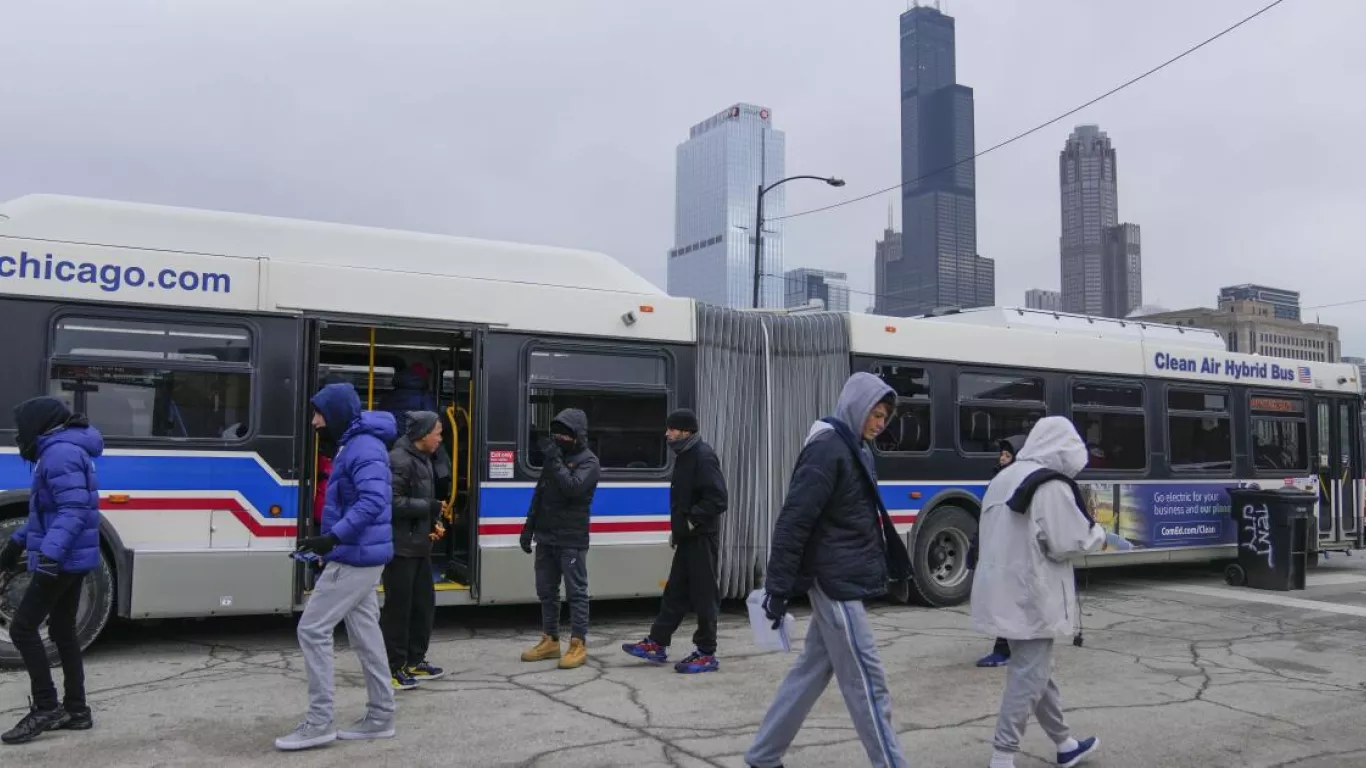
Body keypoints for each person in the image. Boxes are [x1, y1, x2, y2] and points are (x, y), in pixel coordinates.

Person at [745, 373, 912, 768]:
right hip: (835, 582)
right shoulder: (828, 448)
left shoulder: (853, 447)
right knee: (869, 683)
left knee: (811, 671)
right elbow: (794, 520)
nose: (879, 422)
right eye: (875, 412)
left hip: (841, 575)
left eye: (885, 417)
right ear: (856, 405)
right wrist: (778, 587)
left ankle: (763, 755)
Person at [970, 416, 1105, 768]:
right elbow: (1067, 541)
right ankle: (1002, 754)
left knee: (1036, 669)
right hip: (1033, 593)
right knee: (1029, 672)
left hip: (1002, 589)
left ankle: (1064, 743)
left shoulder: (1005, 477)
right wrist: (1101, 536)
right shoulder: (1050, 485)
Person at [276, 382, 398, 751]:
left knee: (312, 629)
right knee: (366, 637)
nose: (315, 422)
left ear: (337, 414)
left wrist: (334, 538)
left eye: (319, 414)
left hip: (354, 556)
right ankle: (380, 716)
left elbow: (374, 500)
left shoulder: (362, 447)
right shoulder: (356, 443)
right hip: (357, 553)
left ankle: (320, 721)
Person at [0, 397, 103, 745]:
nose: (19, 436)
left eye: (22, 427)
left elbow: (73, 510)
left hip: (63, 559)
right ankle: (77, 710)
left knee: (23, 628)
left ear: (38, 424)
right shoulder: (62, 450)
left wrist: (48, 555)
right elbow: (49, 513)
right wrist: (17, 541)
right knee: (62, 630)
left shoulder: (59, 454)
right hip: (72, 558)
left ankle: (46, 707)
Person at [621, 408, 728, 674]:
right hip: (687, 537)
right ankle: (657, 643)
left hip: (701, 538)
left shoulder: (703, 456)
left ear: (686, 431)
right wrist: (678, 529)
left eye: (671, 429)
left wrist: (691, 522)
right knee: (675, 593)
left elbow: (718, 498)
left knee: (704, 596)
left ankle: (706, 652)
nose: (667, 434)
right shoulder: (684, 455)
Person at [518, 409, 600, 670]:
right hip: (546, 536)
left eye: (565, 434)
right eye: (556, 433)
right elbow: (539, 494)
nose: (559, 438)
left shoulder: (589, 462)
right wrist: (528, 529)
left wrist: (555, 462)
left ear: (577, 435)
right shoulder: (555, 458)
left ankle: (578, 643)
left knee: (576, 592)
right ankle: (550, 640)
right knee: (546, 591)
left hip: (571, 538)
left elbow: (573, 488)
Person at [382, 411, 447, 691]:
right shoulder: (399, 460)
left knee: (422, 607)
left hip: (419, 545)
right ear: (422, 435)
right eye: (438, 433)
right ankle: (393, 668)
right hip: (401, 547)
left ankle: (413, 661)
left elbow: (417, 500)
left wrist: (432, 521)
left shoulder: (424, 459)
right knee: (399, 610)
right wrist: (429, 507)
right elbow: (392, 502)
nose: (440, 439)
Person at [973, 434, 1026, 668]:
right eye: (1001, 454)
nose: (1002, 458)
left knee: (1008, 600)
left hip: (1012, 553)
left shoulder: (1022, 483)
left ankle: (1004, 650)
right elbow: (987, 516)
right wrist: (976, 545)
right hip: (997, 549)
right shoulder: (998, 479)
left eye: (1007, 455)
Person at [378, 362, 438, 438]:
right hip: (412, 441)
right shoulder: (424, 397)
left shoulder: (387, 397)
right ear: (423, 378)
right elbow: (433, 421)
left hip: (389, 438)